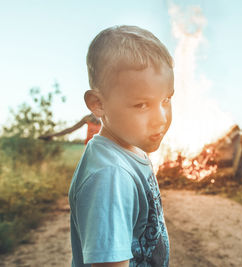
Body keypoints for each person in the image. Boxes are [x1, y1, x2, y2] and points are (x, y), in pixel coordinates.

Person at [68, 25, 174, 267]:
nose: (161, 117)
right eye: (141, 105)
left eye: (166, 99)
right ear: (98, 104)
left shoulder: (132, 148)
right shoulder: (111, 176)